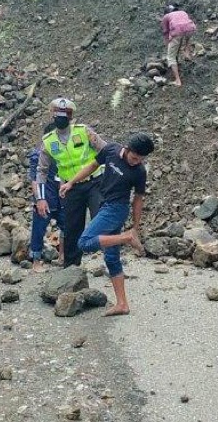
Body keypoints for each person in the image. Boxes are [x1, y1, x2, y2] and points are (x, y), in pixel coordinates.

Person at [59, 133, 155, 316]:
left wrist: (134, 228)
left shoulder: (139, 171)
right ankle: (122, 304)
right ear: (126, 149)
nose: (136, 162)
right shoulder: (110, 150)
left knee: (84, 242)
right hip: (105, 204)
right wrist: (71, 182)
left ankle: (126, 237)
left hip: (117, 209)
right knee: (111, 258)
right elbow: (92, 166)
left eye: (141, 159)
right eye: (134, 157)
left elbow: (138, 199)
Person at [36, 97, 107, 267]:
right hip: (70, 188)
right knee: (72, 227)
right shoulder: (48, 141)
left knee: (103, 220)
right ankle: (71, 268)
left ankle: (111, 261)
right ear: (53, 116)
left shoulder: (83, 132)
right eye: (57, 114)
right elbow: (41, 171)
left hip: (95, 182)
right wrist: (40, 198)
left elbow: (105, 149)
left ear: (70, 117)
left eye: (64, 115)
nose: (61, 118)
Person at [28, 121, 65, 272]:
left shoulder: (62, 152)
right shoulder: (37, 155)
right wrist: (39, 200)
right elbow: (35, 180)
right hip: (45, 198)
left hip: (62, 197)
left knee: (67, 226)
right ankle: (36, 261)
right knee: (39, 229)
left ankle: (62, 256)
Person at [161, 4, 197, 87]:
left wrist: (168, 43)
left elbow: (165, 31)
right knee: (186, 37)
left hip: (178, 32)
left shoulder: (166, 16)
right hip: (191, 28)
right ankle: (187, 53)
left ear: (166, 12)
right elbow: (185, 24)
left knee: (170, 57)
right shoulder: (183, 12)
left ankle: (178, 81)